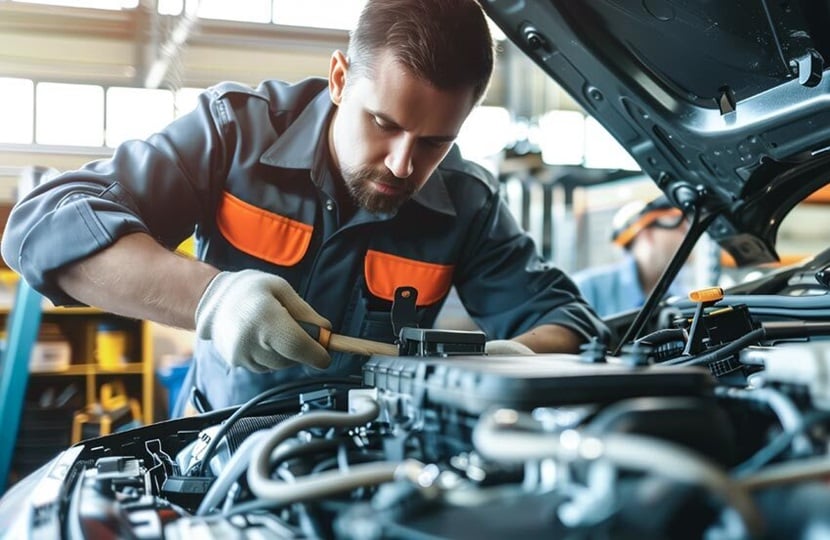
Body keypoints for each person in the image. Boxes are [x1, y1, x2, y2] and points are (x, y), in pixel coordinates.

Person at [1, 0, 608, 414]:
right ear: (340, 78)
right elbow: (43, 225)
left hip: (371, 466)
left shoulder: (468, 204)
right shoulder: (235, 136)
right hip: (214, 456)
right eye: (382, 122)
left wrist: (521, 356)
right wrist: (212, 299)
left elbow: (573, 323)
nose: (403, 164)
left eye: (433, 142)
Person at [573, 195, 689, 318]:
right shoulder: (586, 289)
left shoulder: (679, 297)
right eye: (681, 229)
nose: (687, 235)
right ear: (647, 234)